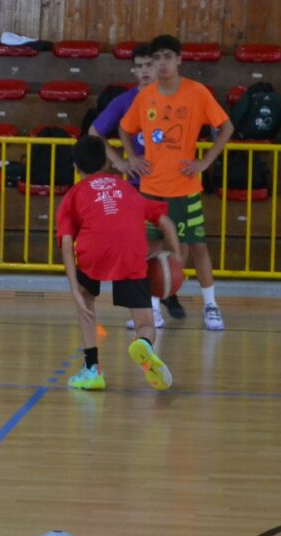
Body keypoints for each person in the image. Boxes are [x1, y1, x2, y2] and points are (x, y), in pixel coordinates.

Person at [119, 34, 235, 332]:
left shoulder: (197, 92)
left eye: (167, 57)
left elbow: (226, 127)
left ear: (179, 59)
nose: (161, 63)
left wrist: (205, 162)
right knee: (151, 250)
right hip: (151, 189)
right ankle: (152, 309)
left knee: (197, 247)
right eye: (156, 58)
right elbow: (124, 127)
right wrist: (132, 157)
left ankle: (211, 306)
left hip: (185, 188)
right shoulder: (145, 96)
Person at [58, 136, 181, 391]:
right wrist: (175, 257)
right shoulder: (125, 187)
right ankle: (144, 343)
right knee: (145, 323)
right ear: (106, 163)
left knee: (86, 301)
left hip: (94, 251)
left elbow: (67, 244)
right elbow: (166, 223)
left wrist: (75, 292)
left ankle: (92, 370)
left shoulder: (73, 195)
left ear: (75, 167)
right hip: (131, 251)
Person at [87, 43, 168, 329]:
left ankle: (193, 301)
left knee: (178, 246)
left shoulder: (172, 98)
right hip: (137, 186)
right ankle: (150, 308)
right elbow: (95, 132)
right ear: (134, 70)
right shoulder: (125, 101)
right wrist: (121, 161)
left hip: (170, 184)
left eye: (150, 65)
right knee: (142, 246)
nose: (145, 71)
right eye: (140, 66)